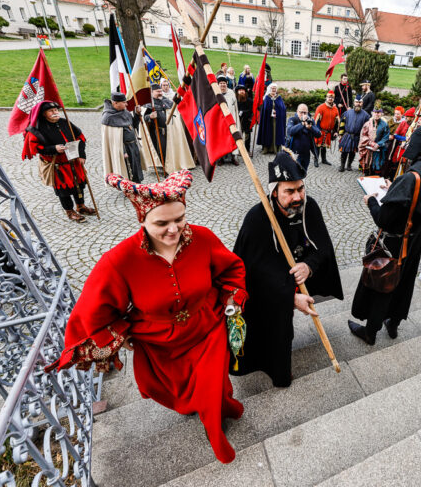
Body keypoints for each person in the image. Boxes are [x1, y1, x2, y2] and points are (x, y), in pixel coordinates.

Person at [47, 170, 248, 464]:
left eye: (179, 219)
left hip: (207, 328)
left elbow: (232, 269)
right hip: (160, 343)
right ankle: (202, 406)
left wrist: (232, 300)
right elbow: (94, 308)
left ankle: (216, 431)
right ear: (142, 220)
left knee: (212, 386)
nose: (174, 229)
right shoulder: (119, 260)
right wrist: (120, 333)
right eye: (161, 223)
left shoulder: (203, 238)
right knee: (181, 391)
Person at [232, 150, 343, 387]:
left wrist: (309, 266)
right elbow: (254, 270)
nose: (298, 197)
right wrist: (290, 298)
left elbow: (323, 245)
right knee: (278, 327)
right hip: (269, 285)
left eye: (300, 188)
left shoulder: (309, 207)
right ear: (274, 192)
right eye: (289, 191)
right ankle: (278, 372)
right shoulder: (257, 218)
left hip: (296, 273)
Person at [349, 123, 421, 344]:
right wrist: (395, 189)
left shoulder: (412, 177)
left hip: (394, 243)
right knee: (404, 284)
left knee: (383, 284)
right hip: (414, 240)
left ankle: (370, 332)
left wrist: (371, 201)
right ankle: (393, 323)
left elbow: (383, 219)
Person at [22, 101, 96, 222]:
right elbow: (35, 148)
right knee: (63, 190)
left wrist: (82, 155)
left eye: (56, 110)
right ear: (43, 114)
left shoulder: (64, 122)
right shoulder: (37, 129)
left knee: (79, 185)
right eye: (51, 111)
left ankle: (81, 206)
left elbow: (80, 138)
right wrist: (54, 149)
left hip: (74, 161)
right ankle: (69, 211)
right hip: (58, 166)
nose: (55, 112)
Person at [101, 92, 144, 183]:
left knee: (136, 169)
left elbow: (133, 125)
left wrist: (137, 114)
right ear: (115, 103)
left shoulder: (125, 112)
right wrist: (123, 151)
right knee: (128, 171)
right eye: (124, 102)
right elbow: (113, 140)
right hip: (123, 149)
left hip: (133, 145)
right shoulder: (108, 117)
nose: (126, 104)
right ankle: (129, 186)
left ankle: (137, 185)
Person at [158, 79, 197, 173]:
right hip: (166, 123)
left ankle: (183, 161)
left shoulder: (174, 95)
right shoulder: (159, 97)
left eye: (167, 85)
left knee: (179, 141)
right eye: (163, 85)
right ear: (161, 86)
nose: (165, 87)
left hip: (176, 120)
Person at [142, 83, 174, 169]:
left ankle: (171, 164)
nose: (160, 93)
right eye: (157, 91)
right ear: (151, 92)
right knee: (161, 149)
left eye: (160, 91)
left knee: (170, 148)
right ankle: (164, 166)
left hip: (169, 129)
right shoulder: (148, 103)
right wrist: (150, 116)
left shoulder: (165, 100)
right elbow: (144, 117)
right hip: (157, 131)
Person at [338, 96, 370, 172]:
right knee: (344, 151)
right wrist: (341, 135)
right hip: (347, 135)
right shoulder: (347, 113)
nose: (358, 104)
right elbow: (342, 123)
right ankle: (342, 166)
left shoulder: (366, 115)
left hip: (357, 136)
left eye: (360, 102)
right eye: (356, 102)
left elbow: (367, 128)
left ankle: (349, 165)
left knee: (353, 151)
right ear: (354, 103)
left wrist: (364, 138)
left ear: (362, 103)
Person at [286, 104, 321, 171]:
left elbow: (318, 134)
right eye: (301, 112)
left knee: (303, 172)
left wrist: (311, 127)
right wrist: (301, 124)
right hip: (294, 153)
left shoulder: (310, 120)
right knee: (294, 172)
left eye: (305, 112)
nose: (303, 114)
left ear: (307, 112)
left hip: (306, 153)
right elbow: (290, 131)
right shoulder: (292, 119)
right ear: (297, 111)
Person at [358, 107, 390, 176]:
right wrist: (371, 143)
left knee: (377, 167)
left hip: (379, 150)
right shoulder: (367, 124)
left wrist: (378, 144)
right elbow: (363, 135)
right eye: (375, 112)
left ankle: (375, 179)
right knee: (367, 167)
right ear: (372, 113)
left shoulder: (384, 125)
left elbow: (386, 137)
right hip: (368, 149)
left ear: (381, 114)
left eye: (378, 113)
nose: (376, 114)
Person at [257, 83, 287, 154]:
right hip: (268, 120)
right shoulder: (267, 98)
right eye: (272, 88)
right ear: (270, 89)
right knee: (267, 132)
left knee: (277, 133)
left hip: (277, 120)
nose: (274, 90)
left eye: (275, 88)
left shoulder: (279, 98)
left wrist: (278, 112)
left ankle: (276, 148)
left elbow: (283, 108)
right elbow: (264, 109)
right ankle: (266, 148)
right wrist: (270, 111)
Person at [218, 74, 240, 165]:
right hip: (220, 120)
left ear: (226, 83)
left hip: (230, 119)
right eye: (221, 83)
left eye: (224, 83)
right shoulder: (215, 93)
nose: (223, 85)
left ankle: (233, 157)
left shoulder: (231, 93)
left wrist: (235, 119)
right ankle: (221, 158)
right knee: (221, 138)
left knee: (232, 137)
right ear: (218, 84)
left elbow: (235, 107)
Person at [313, 90, 340, 166]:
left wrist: (335, 131)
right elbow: (317, 120)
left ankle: (324, 159)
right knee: (317, 146)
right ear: (326, 97)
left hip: (328, 132)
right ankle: (316, 159)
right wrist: (318, 131)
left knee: (324, 147)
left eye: (332, 97)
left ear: (333, 99)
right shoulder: (321, 107)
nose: (330, 99)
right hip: (320, 131)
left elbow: (336, 122)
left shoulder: (335, 109)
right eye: (329, 97)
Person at [381, 106, 406, 178]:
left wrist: (394, 136)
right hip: (388, 141)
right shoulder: (391, 121)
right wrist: (388, 136)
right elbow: (385, 130)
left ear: (402, 114)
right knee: (385, 156)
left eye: (398, 114)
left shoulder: (403, 123)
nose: (396, 115)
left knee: (392, 158)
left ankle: (390, 174)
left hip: (396, 143)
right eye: (395, 113)